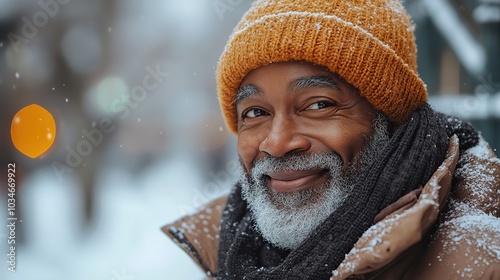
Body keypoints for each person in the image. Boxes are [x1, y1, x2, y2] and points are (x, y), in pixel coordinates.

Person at [163, 0, 500, 279]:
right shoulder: (227, 249)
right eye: (255, 113)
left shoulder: (479, 264)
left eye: (319, 105)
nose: (277, 143)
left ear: (392, 121)